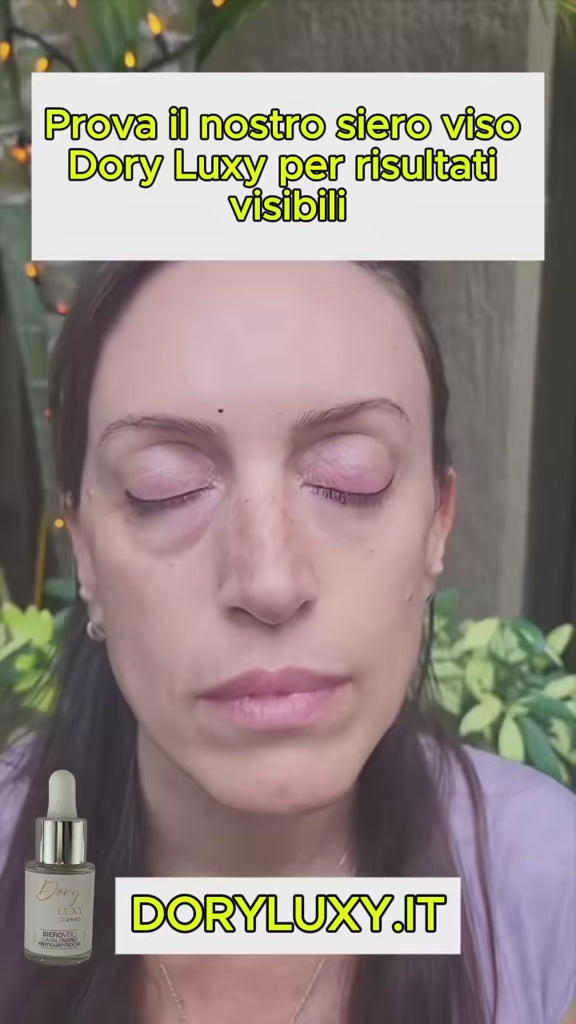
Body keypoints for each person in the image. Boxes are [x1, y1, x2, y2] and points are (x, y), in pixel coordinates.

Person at [0, 261, 574, 1024]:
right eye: (164, 487)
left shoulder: (550, 884)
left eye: (351, 477)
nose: (269, 581)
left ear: (438, 523)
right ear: (86, 553)